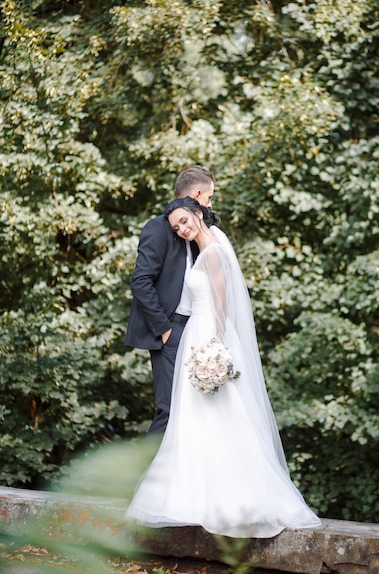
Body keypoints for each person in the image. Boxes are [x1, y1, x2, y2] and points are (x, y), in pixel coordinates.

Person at [125, 197, 321, 538]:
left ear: (198, 214)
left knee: (218, 417)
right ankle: (191, 495)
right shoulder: (202, 251)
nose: (182, 229)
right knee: (192, 419)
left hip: (206, 339)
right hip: (194, 339)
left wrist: (213, 350)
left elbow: (221, 306)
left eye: (185, 221)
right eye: (176, 227)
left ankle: (228, 498)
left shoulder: (213, 252)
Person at [125, 167, 215, 434]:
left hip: (199, 328)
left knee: (197, 410)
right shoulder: (158, 228)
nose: (210, 204)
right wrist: (164, 329)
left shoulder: (204, 233)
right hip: (171, 329)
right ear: (198, 194)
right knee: (170, 410)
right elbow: (141, 281)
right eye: (209, 198)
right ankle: (154, 476)